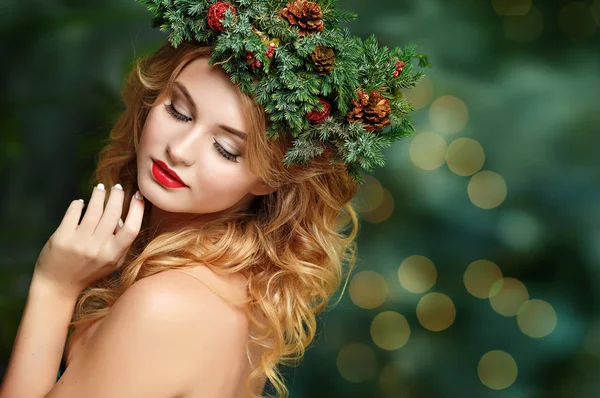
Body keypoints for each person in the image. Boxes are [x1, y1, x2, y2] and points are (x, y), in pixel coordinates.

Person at [0, 1, 430, 397]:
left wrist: (54, 287)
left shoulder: (168, 304)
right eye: (178, 111)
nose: (179, 150)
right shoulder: (245, 290)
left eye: (226, 149)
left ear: (269, 178)